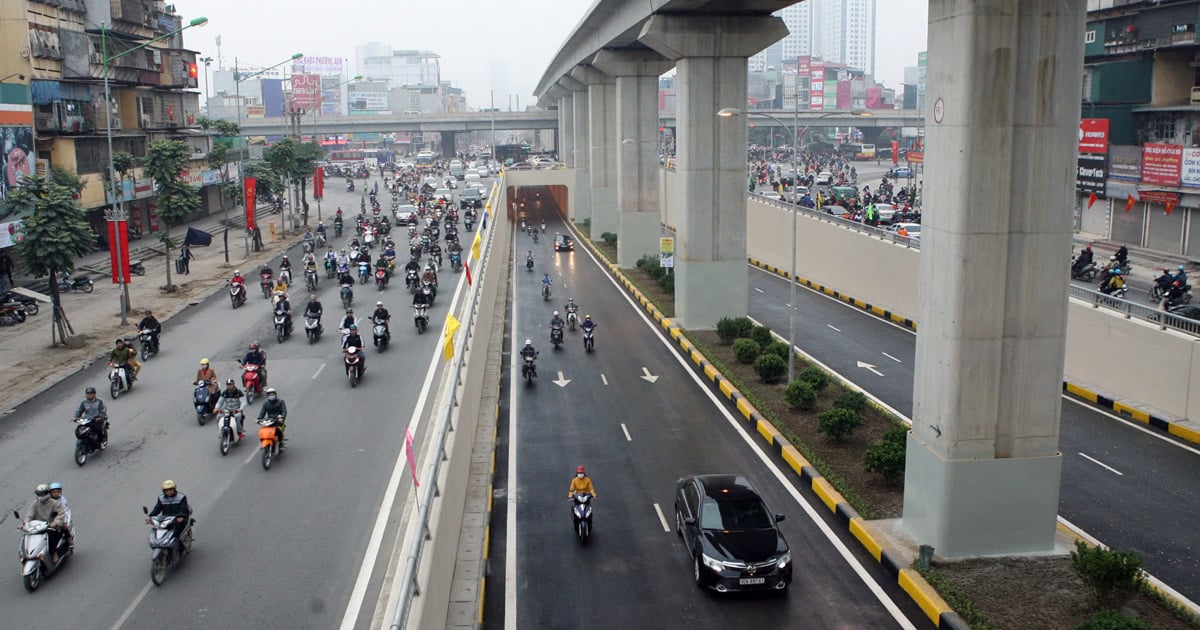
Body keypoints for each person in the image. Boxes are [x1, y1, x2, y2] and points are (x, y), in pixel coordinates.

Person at [146, 480, 192, 556]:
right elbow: (157, 508)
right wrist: (150, 517)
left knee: (175, 534)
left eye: (170, 489)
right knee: (159, 529)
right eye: (167, 490)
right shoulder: (161, 498)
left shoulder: (181, 497)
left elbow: (183, 508)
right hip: (166, 519)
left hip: (179, 518)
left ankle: (180, 550)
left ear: (174, 489)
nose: (169, 492)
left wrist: (181, 517)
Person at [24, 485, 65, 563]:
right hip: (38, 527)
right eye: (39, 494)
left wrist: (55, 523)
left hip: (51, 526)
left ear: (47, 493)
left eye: (43, 493)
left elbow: (61, 513)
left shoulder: (54, 503)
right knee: (28, 535)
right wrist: (25, 523)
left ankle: (54, 553)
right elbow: (29, 514)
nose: (41, 496)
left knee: (50, 534)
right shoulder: (35, 504)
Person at [48, 483, 72, 549]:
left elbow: (65, 511)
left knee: (63, 528)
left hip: (60, 517)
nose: (56, 493)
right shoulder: (48, 500)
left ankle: (69, 540)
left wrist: (65, 522)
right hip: (50, 518)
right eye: (54, 492)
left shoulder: (62, 499)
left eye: (58, 492)